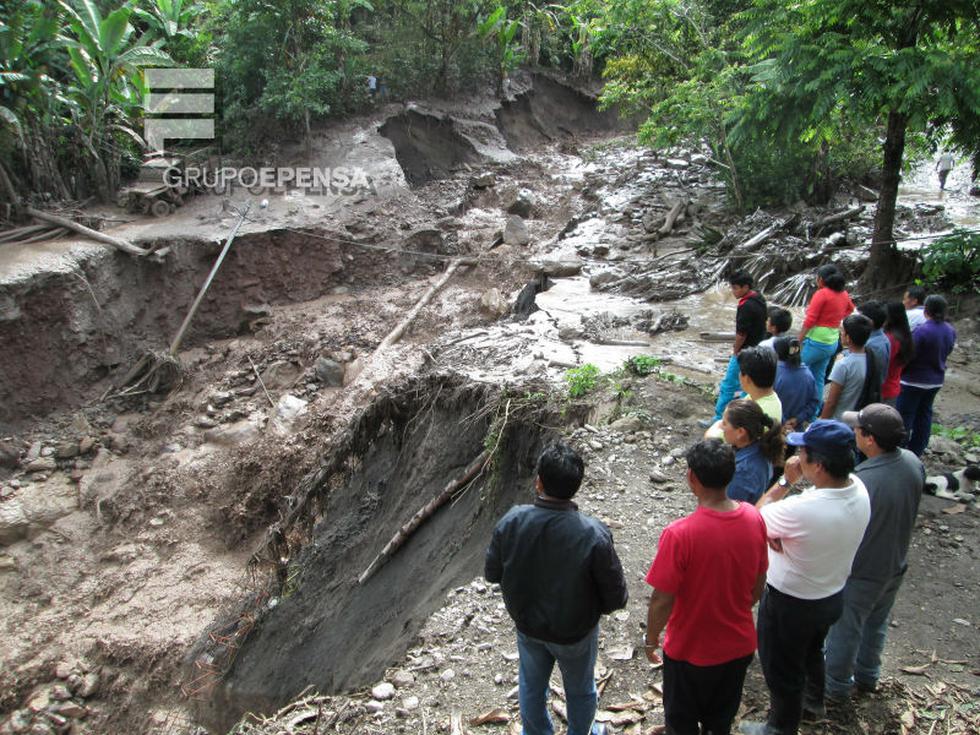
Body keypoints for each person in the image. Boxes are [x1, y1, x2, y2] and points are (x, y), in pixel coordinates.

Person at [485, 441, 627, 735]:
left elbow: (492, 573)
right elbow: (615, 596)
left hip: (528, 626)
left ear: (538, 482)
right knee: (580, 689)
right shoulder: (593, 533)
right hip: (575, 631)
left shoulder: (512, 521)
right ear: (576, 486)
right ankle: (582, 731)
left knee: (531, 686)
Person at [740, 421, 871, 735]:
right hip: (831, 593)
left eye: (802, 453)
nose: (796, 456)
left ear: (820, 466)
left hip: (791, 601)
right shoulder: (858, 487)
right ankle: (814, 703)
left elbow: (754, 519)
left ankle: (780, 727)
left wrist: (786, 479)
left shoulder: (803, 509)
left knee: (781, 667)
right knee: (812, 651)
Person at [645, 439, 769, 735]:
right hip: (738, 646)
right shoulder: (754, 518)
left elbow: (662, 599)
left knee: (681, 723)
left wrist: (651, 640)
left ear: (691, 478)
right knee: (720, 722)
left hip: (689, 650)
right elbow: (758, 580)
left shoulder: (679, 534)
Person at [824, 404, 925, 703]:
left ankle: (835, 686)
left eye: (858, 428)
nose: (854, 431)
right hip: (895, 561)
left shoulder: (863, 482)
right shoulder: (911, 462)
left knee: (846, 628)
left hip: (864, 568)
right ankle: (868, 674)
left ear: (869, 439)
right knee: (876, 622)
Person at [704, 271, 768, 426]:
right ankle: (742, 416)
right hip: (756, 347)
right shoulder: (758, 298)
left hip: (744, 350)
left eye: (735, 288)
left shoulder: (746, 306)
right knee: (746, 385)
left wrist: (736, 350)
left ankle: (719, 419)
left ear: (745, 287)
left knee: (729, 384)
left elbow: (741, 333)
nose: (733, 292)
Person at [896, 295, 957, 456]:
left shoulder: (921, 331)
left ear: (926, 310)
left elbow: (909, 356)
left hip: (913, 380)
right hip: (936, 380)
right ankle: (917, 449)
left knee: (905, 416)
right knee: (924, 415)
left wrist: (900, 370)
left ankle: (899, 450)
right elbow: (948, 350)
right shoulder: (950, 330)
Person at [705, 346, 782, 439]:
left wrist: (717, 424)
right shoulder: (769, 398)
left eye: (740, 372)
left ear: (747, 378)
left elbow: (710, 438)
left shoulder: (752, 413)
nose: (739, 375)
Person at [799, 265, 854, 392]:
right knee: (818, 376)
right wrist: (836, 318)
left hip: (817, 339)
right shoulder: (843, 293)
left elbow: (810, 319)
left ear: (822, 279)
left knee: (795, 369)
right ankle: (815, 408)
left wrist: (799, 339)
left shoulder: (822, 294)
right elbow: (850, 309)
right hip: (832, 340)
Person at [720, 399, 785, 504]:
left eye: (724, 423)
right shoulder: (760, 447)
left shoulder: (743, 472)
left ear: (740, 432)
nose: (720, 426)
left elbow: (728, 509)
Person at [821, 314, 877, 420]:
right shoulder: (871, 357)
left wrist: (822, 423)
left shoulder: (843, 365)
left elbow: (831, 402)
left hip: (840, 419)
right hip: (858, 417)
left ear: (848, 337)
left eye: (842, 331)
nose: (840, 334)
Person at [773, 337, 820, 428]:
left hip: (775, 427)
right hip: (795, 428)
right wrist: (798, 419)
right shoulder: (808, 375)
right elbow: (814, 402)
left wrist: (783, 421)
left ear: (778, 354)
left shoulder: (774, 373)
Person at [881, 302, 915, 407]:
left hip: (882, 388)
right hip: (894, 385)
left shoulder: (890, 339)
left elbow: (882, 364)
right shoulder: (905, 336)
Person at [857, 301, 890, 394]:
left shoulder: (873, 345)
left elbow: (871, 376)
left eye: (859, 317)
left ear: (870, 322)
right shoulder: (880, 337)